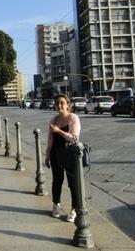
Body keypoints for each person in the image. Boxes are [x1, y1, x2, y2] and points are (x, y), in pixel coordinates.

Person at [44, 94, 81, 223]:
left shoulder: (73, 118)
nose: (59, 105)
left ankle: (74, 209)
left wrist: (59, 131)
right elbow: (50, 139)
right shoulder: (53, 120)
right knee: (57, 181)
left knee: (73, 183)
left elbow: (74, 138)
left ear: (67, 104)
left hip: (70, 154)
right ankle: (56, 205)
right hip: (56, 154)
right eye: (57, 103)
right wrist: (47, 155)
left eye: (62, 103)